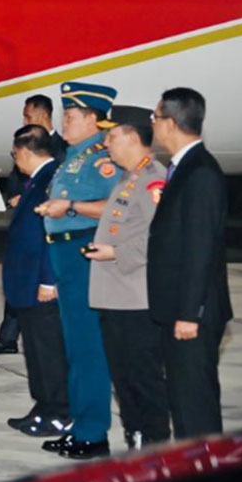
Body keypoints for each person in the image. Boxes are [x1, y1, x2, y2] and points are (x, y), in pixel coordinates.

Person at [35, 81, 118, 460]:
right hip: (65, 256)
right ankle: (80, 425)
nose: (62, 123)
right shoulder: (73, 155)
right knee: (75, 348)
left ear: (93, 120)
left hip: (83, 254)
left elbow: (118, 206)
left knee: (88, 349)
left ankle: (92, 433)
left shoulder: (103, 159)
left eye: (69, 116)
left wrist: (68, 207)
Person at [84, 106, 170, 450]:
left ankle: (158, 449)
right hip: (114, 295)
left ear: (133, 137)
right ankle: (135, 440)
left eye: (111, 135)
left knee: (144, 379)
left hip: (136, 298)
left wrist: (115, 253)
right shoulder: (128, 177)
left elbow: (157, 236)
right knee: (123, 378)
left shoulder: (153, 178)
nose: (106, 143)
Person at [147, 87, 232, 439]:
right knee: (182, 401)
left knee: (195, 406)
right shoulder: (182, 168)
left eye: (154, 118)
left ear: (170, 122)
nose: (152, 124)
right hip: (178, 308)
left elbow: (200, 249)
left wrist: (187, 313)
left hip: (192, 314)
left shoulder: (199, 173)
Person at [0, 94, 68, 356]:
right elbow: (16, 179)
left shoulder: (60, 153)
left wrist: (47, 280)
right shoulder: (26, 149)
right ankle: (8, 338)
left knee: (43, 340)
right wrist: (15, 197)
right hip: (25, 229)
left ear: (42, 115)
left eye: (27, 116)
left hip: (41, 257)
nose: (24, 120)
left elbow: (53, 230)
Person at [4, 125, 70, 437]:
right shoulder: (37, 179)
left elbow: (52, 235)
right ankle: (42, 406)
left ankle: (58, 411)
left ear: (28, 152)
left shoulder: (52, 179)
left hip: (40, 283)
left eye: (15, 154)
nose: (15, 161)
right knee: (34, 350)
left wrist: (48, 279)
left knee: (48, 351)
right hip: (26, 281)